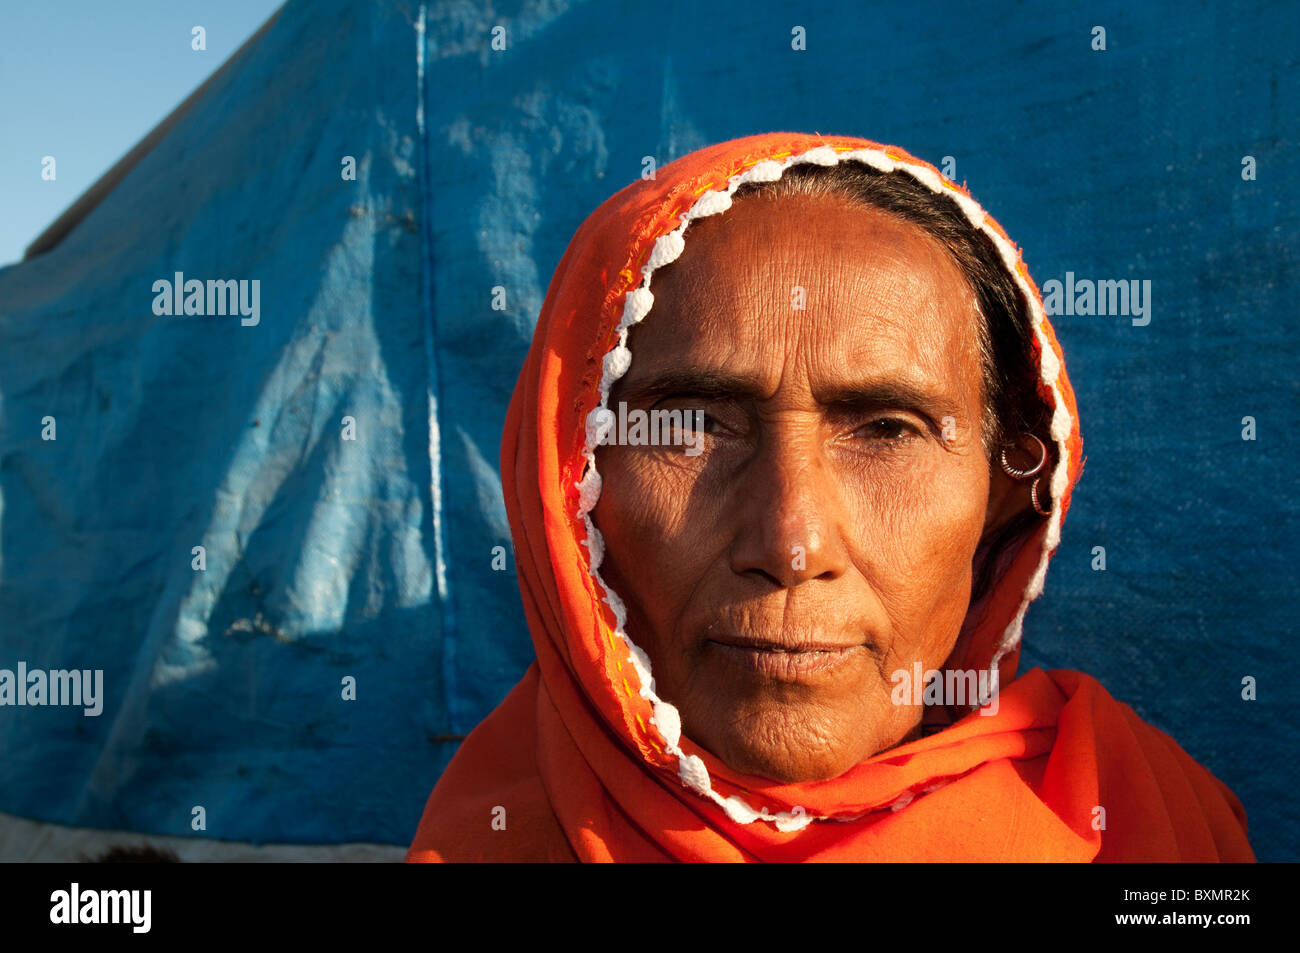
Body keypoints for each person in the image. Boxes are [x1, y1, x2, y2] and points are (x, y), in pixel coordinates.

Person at [406, 132, 1254, 862]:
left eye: (887, 428)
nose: (791, 541)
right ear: (569, 489)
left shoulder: (1145, 824)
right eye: (692, 426)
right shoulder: (495, 833)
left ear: (1006, 492)